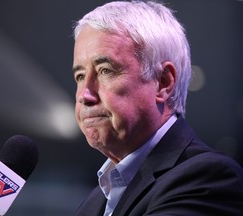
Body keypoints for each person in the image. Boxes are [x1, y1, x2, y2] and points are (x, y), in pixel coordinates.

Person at [71, 1, 243, 215]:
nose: (84, 95)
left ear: (163, 82)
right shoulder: (96, 199)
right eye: (79, 76)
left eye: (105, 71)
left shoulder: (208, 178)